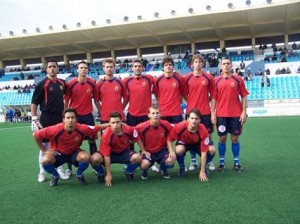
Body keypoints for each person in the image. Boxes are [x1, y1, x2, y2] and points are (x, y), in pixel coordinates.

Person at [33, 108, 109, 187]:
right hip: (58, 153)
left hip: (74, 153)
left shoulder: (82, 128)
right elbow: (36, 135)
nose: (70, 120)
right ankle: (55, 176)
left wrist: (112, 124)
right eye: (68, 118)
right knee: (45, 160)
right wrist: (44, 150)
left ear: (76, 119)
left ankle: (79, 174)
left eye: (72, 117)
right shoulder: (55, 129)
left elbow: (98, 127)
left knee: (86, 157)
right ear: (63, 119)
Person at [31, 58, 69, 182]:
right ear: (46, 69)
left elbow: (68, 97)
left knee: (59, 145)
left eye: (54, 66)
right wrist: (34, 118)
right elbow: (34, 102)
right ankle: (42, 172)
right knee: (45, 145)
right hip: (46, 117)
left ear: (58, 68)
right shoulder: (42, 84)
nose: (52, 69)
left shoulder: (62, 83)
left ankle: (59, 170)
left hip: (58, 118)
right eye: (50, 67)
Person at [211, 57, 249, 172]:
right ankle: (222, 163)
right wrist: (213, 113)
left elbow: (244, 95)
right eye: (224, 64)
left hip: (235, 114)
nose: (226, 65)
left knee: (234, 138)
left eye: (228, 63)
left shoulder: (238, 80)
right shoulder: (216, 80)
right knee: (222, 138)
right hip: (221, 115)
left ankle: (236, 163)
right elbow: (214, 98)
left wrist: (244, 112)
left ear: (231, 65)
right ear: (221, 66)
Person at [123, 59, 158, 172]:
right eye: (135, 66)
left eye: (139, 66)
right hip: (132, 115)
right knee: (130, 140)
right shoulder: (126, 81)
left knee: (148, 139)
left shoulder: (149, 79)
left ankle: (150, 161)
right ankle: (130, 160)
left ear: (143, 68)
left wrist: (176, 73)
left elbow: (161, 80)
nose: (137, 68)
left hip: (146, 116)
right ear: (132, 68)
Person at [91, 112, 143, 187]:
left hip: (124, 153)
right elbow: (107, 155)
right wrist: (108, 174)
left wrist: (143, 150)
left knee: (138, 158)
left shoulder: (128, 129)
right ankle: (102, 173)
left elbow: (137, 137)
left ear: (121, 121)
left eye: (117, 122)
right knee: (94, 159)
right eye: (113, 122)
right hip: (110, 154)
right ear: (109, 123)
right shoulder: (106, 134)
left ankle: (128, 171)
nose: (115, 125)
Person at [183, 54, 216, 171]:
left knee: (208, 136)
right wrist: (191, 102)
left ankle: (209, 161)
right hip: (191, 113)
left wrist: (206, 103)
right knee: (191, 136)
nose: (197, 64)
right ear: (192, 64)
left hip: (205, 112)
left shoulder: (208, 78)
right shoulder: (186, 78)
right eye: (195, 62)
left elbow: (213, 95)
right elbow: (184, 94)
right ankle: (193, 162)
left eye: (200, 62)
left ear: (203, 64)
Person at [167, 109, 215, 181]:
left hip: (197, 144)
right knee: (178, 150)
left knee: (212, 150)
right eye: (192, 118)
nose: (194, 121)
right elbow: (169, 139)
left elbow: (204, 152)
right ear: (188, 118)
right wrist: (171, 151)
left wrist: (202, 171)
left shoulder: (203, 130)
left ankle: (202, 167)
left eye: (196, 119)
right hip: (184, 144)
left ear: (200, 120)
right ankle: (182, 167)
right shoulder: (180, 126)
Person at [64, 61, 98, 155]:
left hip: (88, 116)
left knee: (91, 140)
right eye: (81, 68)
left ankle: (96, 165)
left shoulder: (92, 83)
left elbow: (95, 99)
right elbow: (66, 100)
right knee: (71, 141)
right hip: (75, 117)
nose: (83, 70)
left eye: (85, 68)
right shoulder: (70, 84)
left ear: (88, 70)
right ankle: (70, 168)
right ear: (77, 70)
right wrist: (64, 115)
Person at [135, 104, 176, 179]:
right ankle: (144, 171)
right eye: (153, 113)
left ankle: (163, 169)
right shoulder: (142, 126)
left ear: (160, 114)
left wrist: (171, 150)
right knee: (144, 164)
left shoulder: (165, 124)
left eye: (157, 113)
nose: (155, 115)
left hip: (162, 151)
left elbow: (176, 130)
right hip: (148, 152)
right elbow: (131, 132)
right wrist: (143, 150)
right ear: (148, 115)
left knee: (172, 160)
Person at [95, 58, 128, 124]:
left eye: (111, 67)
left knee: (121, 134)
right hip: (105, 117)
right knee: (106, 134)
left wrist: (120, 109)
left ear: (114, 68)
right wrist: (101, 111)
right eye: (107, 67)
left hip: (119, 116)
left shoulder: (121, 82)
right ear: (103, 68)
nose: (109, 69)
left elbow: (126, 99)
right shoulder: (99, 84)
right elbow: (96, 100)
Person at [153, 57, 184, 124]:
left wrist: (178, 102)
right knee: (163, 133)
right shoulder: (157, 80)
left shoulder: (179, 78)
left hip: (176, 112)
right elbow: (156, 94)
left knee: (178, 133)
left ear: (173, 67)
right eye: (166, 65)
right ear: (163, 67)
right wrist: (161, 103)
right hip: (163, 112)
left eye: (170, 65)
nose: (168, 66)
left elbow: (182, 93)